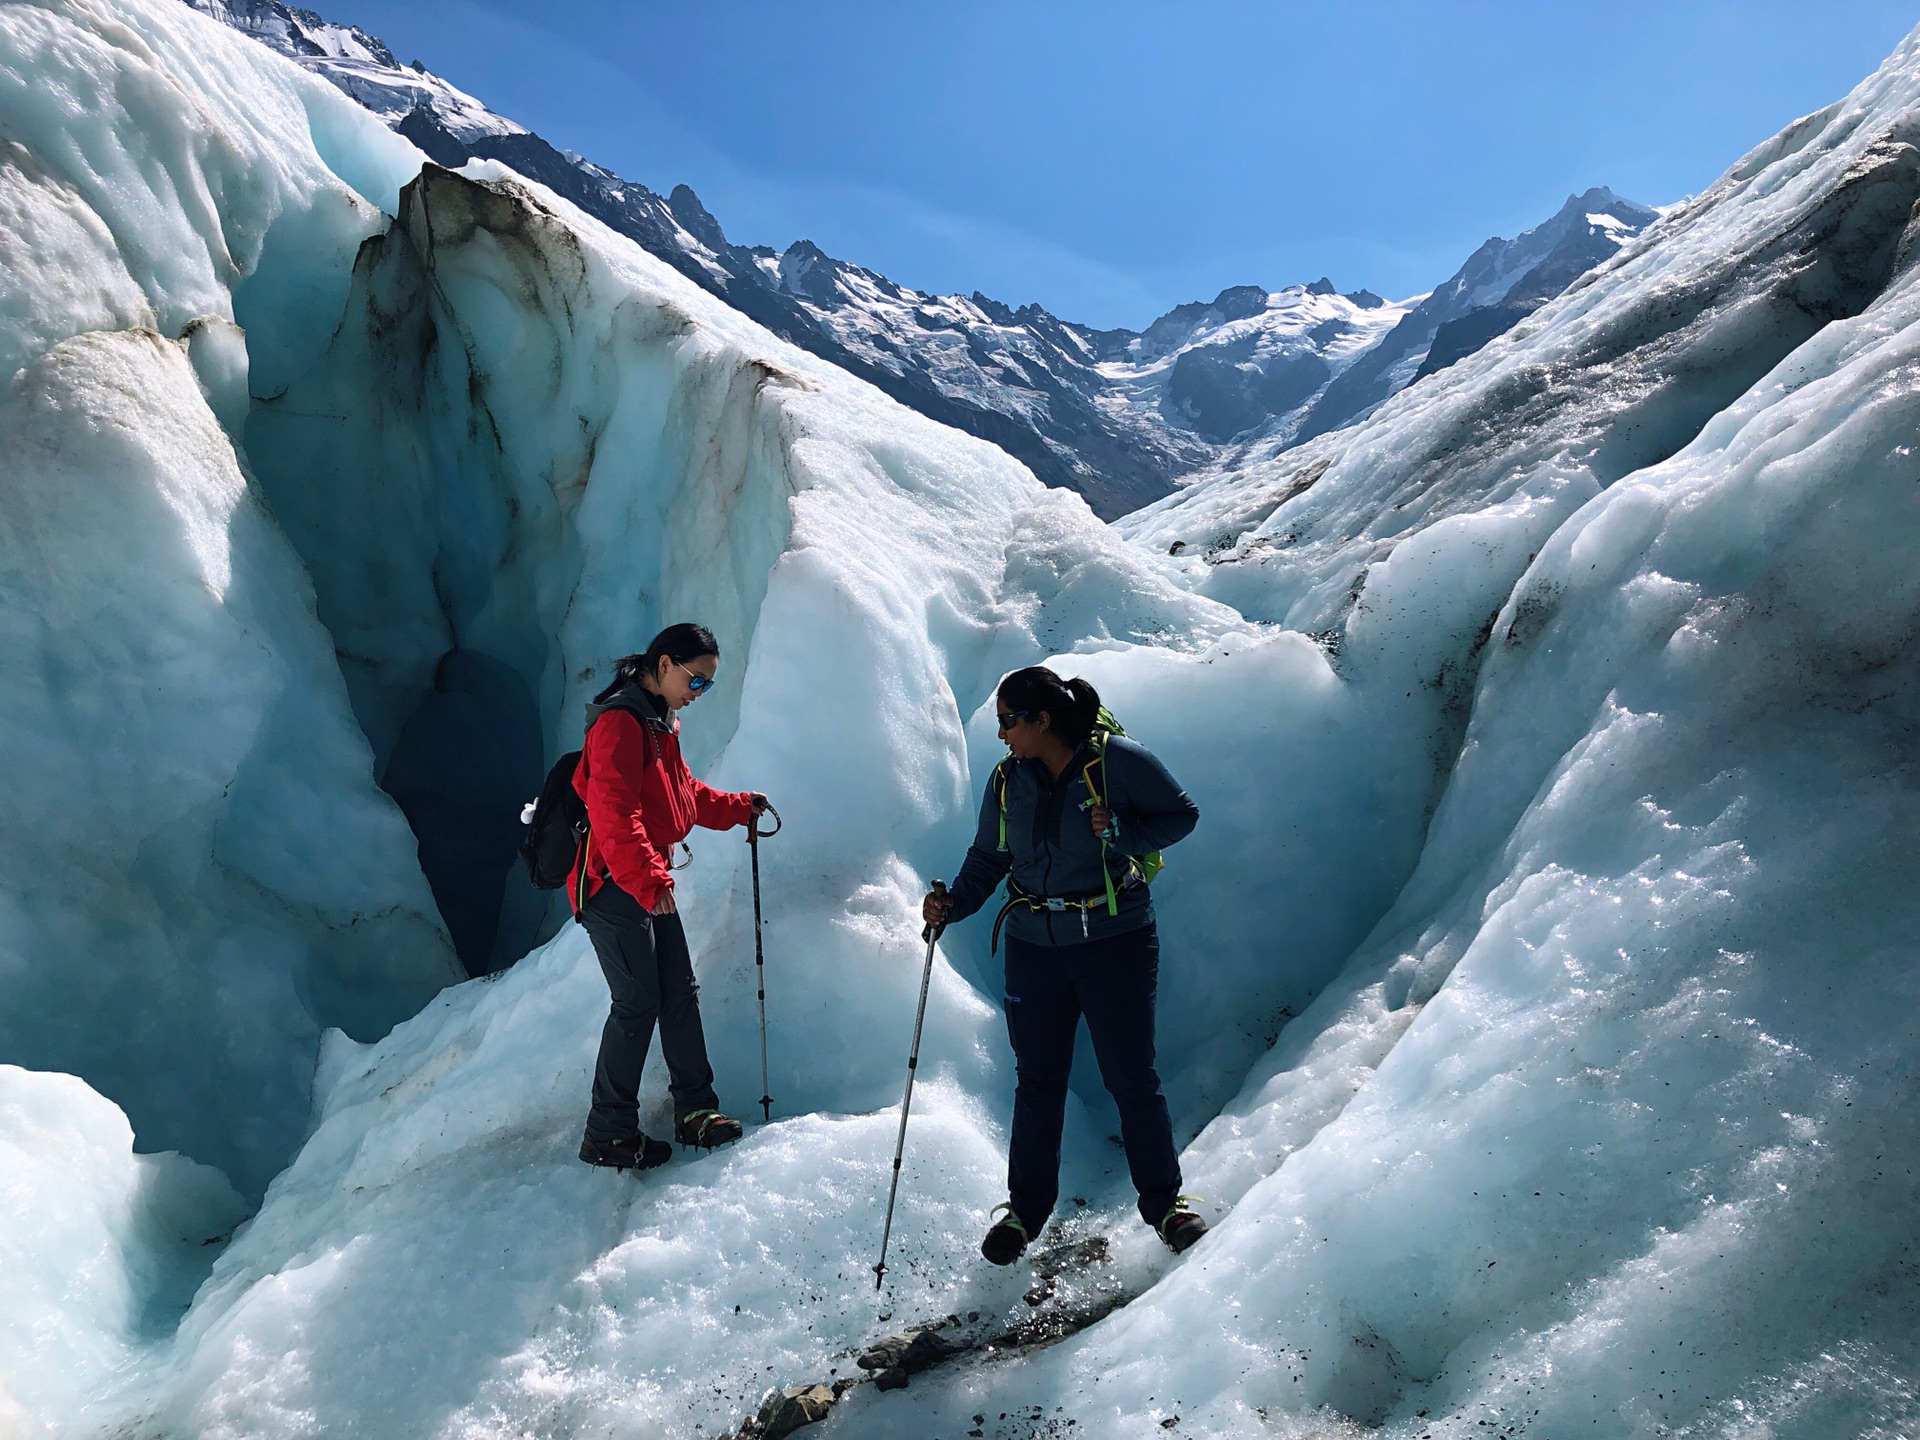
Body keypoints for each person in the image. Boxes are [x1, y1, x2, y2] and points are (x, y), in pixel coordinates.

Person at [923, 666, 1206, 1262]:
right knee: (1038, 1080)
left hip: (1115, 939)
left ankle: (1166, 1205)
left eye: (1007, 721)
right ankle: (1024, 1213)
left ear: (1040, 719)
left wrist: (1123, 833)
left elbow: (1181, 815)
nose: (1001, 734)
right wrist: (954, 905)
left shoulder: (1116, 762)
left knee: (1132, 1076)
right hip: (1034, 946)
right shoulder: (1007, 782)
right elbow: (987, 857)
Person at [570, 623, 770, 1171]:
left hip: (643, 878)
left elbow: (681, 797)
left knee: (677, 992)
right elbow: (614, 813)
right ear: (663, 666)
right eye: (696, 680)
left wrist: (736, 807)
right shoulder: (619, 724)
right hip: (613, 886)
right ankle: (607, 1132)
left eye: (706, 684)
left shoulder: (660, 725)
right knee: (637, 1002)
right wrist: (648, 882)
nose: (698, 692)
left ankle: (695, 1111)